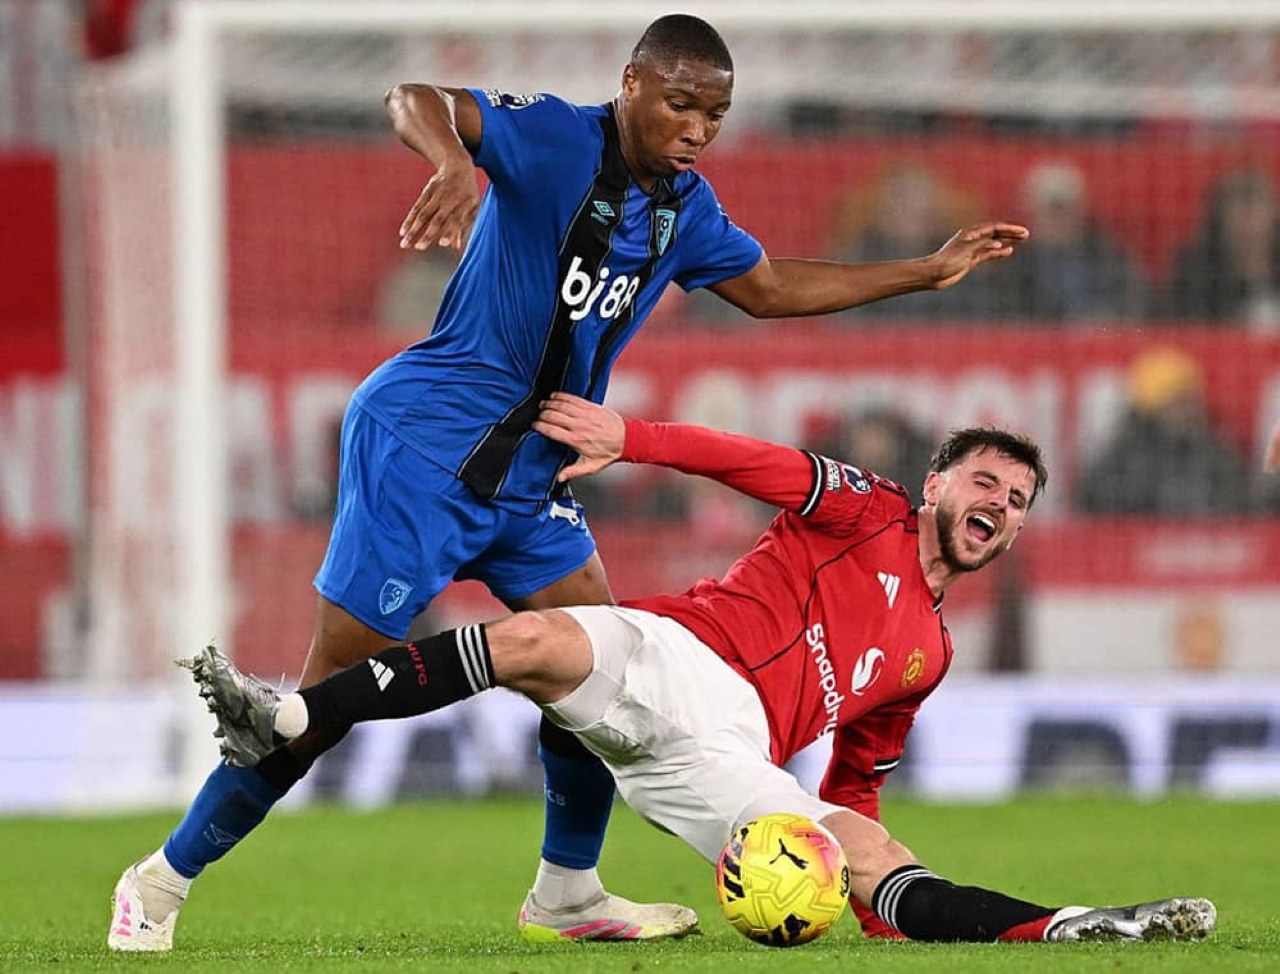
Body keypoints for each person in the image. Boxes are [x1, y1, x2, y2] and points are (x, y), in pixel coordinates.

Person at [107, 14, 1030, 951]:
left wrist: (926, 271)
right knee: (323, 704)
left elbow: (771, 288)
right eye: (680, 105)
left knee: (598, 674)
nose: (697, 130)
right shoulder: (553, 137)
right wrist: (453, 163)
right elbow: (415, 98)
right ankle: (159, 882)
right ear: (631, 83)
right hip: (421, 449)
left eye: (714, 115)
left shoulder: (685, 207)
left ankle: (567, 894)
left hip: (531, 471)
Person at [188, 392, 1217, 945]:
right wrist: (633, 437)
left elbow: (858, 774)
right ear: (937, 483)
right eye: (985, 479)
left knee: (867, 843)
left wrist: (867, 890)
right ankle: (291, 716)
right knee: (537, 641)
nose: (1000, 502)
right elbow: (747, 459)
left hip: (726, 758)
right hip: (675, 650)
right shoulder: (865, 505)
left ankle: (1065, 925)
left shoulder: (930, 652)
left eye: (1019, 499)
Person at [1077, 346, 1251, 516]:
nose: (1189, 410)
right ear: (1149, 410)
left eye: (1192, 399)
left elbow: (1243, 501)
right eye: (1177, 402)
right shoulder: (1121, 463)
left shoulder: (1216, 452)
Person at [1003, 161, 1147, 323]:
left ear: (1080, 210)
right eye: (1050, 211)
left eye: (1063, 210)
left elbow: (1133, 301)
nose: (1057, 220)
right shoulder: (1013, 266)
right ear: (1031, 212)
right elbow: (1007, 314)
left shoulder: (1109, 256)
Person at [1166, 169, 1280, 330]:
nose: (1250, 230)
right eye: (1240, 220)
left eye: (1257, 219)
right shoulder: (1197, 273)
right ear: (1221, 223)